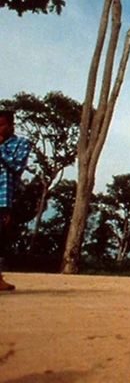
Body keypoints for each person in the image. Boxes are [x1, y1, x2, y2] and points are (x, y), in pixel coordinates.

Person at [0, 109, 31, 292]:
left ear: (11, 125)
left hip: (4, 197)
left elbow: (17, 165)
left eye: (1, 125)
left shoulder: (21, 143)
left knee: (1, 237)